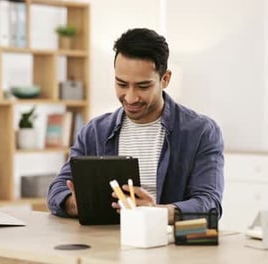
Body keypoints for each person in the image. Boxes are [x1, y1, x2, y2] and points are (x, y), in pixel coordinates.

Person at [47, 28, 224, 223]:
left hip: (167, 246)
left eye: (143, 86)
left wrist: (155, 212)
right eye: (122, 84)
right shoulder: (94, 132)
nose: (130, 97)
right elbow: (57, 190)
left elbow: (210, 204)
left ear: (165, 79)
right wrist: (75, 204)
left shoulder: (200, 132)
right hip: (104, 246)